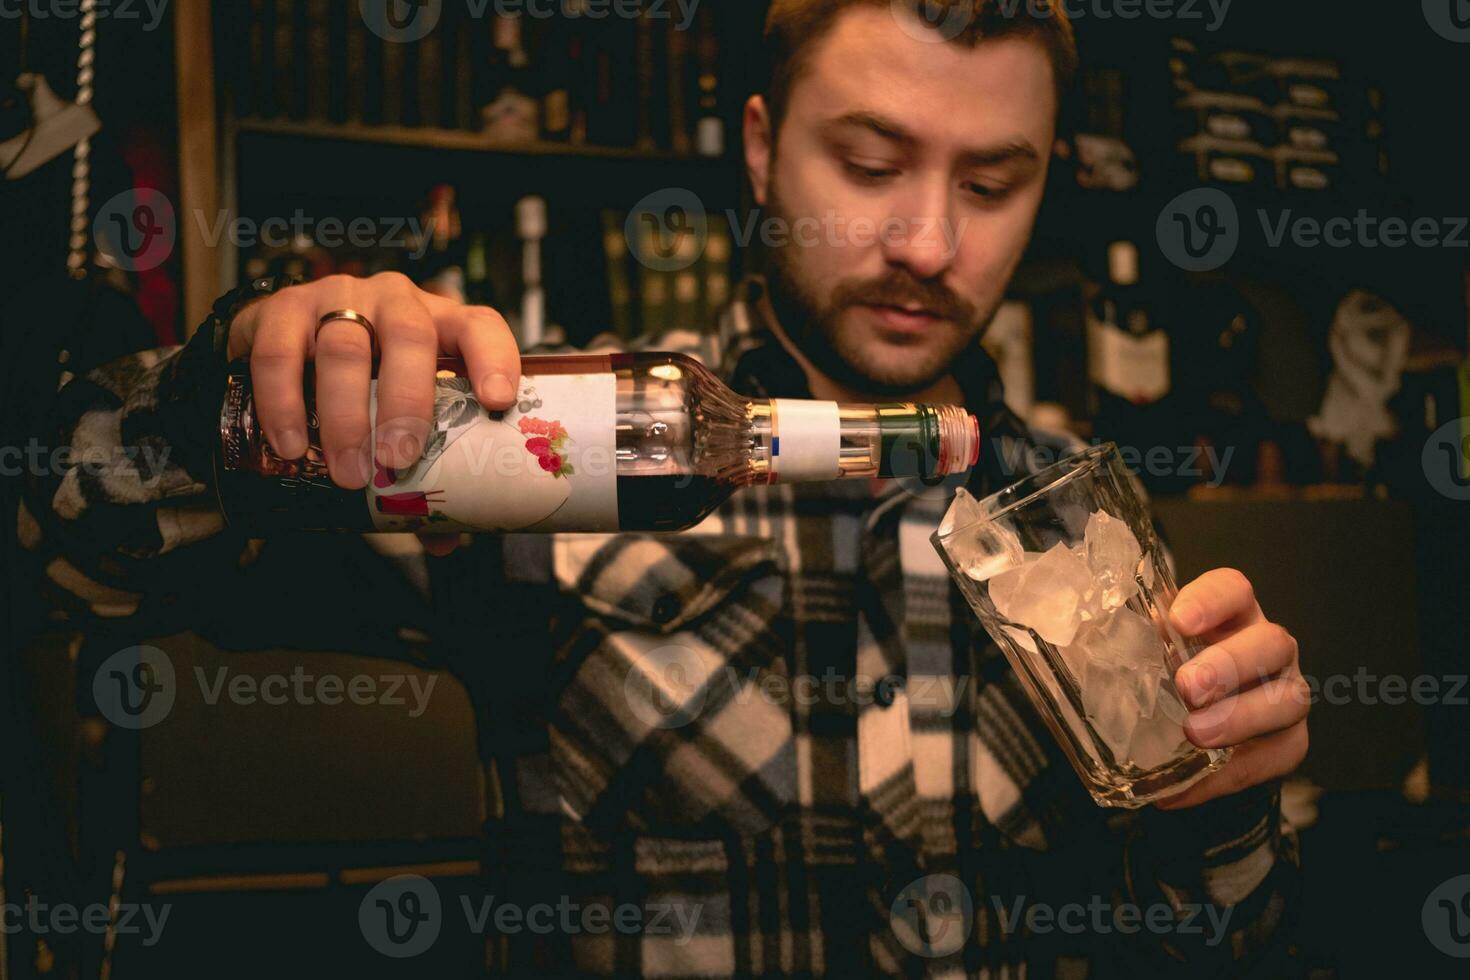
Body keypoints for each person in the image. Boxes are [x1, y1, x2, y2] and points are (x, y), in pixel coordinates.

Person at [18, 0, 1306, 974]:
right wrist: (231, 404)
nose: (928, 241)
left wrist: (1223, 818)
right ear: (760, 148)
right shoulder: (547, 457)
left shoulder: (1077, 532)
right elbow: (55, 558)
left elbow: (1226, 946)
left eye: (992, 181)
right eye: (868, 163)